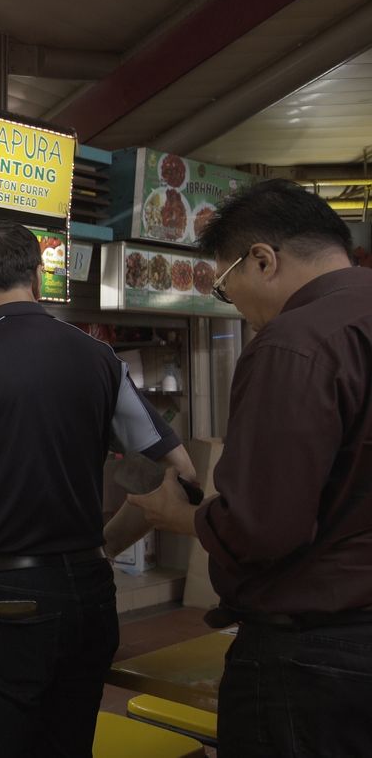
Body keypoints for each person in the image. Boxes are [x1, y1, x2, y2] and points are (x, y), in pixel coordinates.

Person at [0, 220, 194, 757]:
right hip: (91, 593)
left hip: (6, 600)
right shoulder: (98, 356)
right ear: (37, 277)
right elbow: (176, 463)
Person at [125, 179, 372, 757]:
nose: (236, 305)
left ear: (262, 259)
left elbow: (264, 527)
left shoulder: (297, 341)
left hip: (315, 662)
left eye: (226, 286)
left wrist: (179, 517)